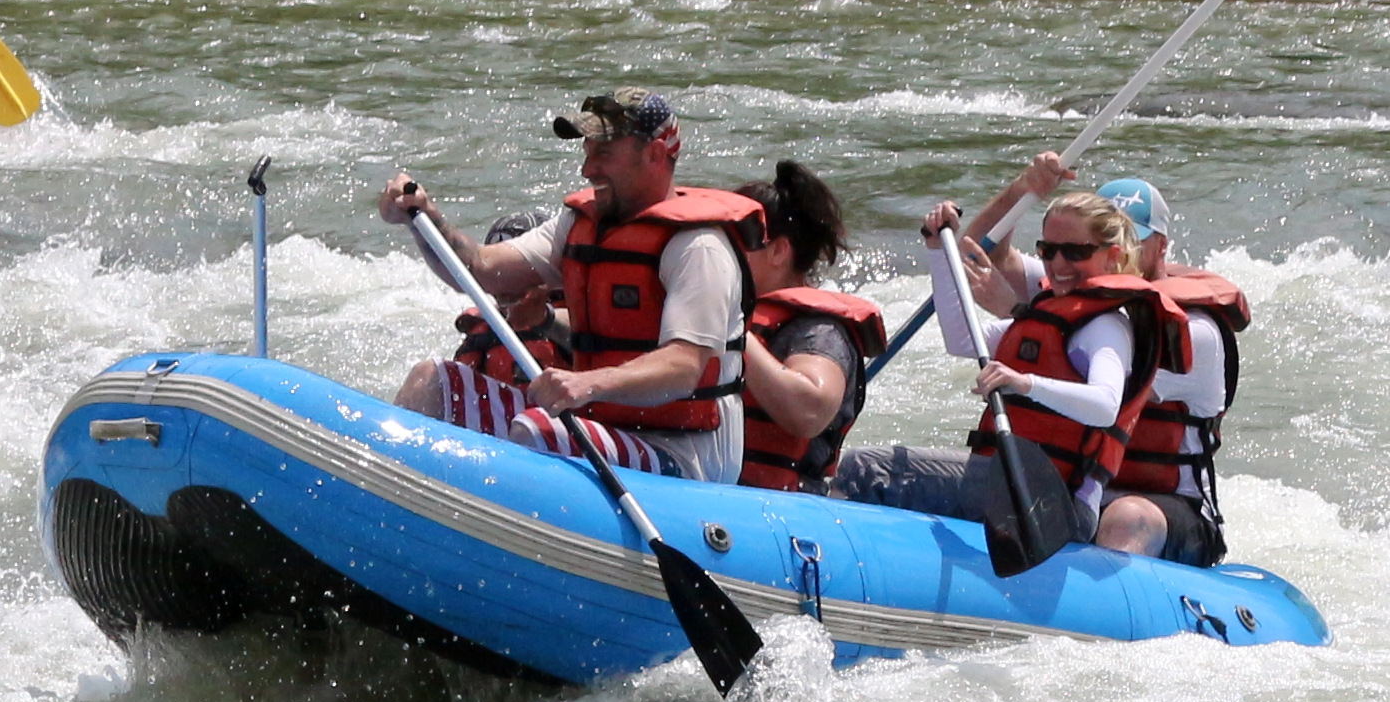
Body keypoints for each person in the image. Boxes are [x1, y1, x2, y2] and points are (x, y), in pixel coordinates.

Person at [381, 88, 763, 481]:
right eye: (587, 152)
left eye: (604, 154)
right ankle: (386, 499)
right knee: (433, 383)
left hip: (682, 456)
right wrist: (422, 218)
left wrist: (588, 383)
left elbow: (683, 367)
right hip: (600, 428)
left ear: (655, 154)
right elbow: (483, 269)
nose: (588, 169)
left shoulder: (698, 247)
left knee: (536, 430)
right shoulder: (579, 225)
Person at [834, 189, 1188, 546]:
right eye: (1048, 250)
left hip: (1056, 504)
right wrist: (939, 253)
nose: (1059, 264)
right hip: (1018, 487)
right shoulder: (1055, 315)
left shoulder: (1106, 327)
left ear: (1112, 256)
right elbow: (961, 340)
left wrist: (1025, 382)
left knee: (867, 469)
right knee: (875, 467)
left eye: (1075, 252)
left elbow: (1105, 405)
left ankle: (828, 567)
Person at [942, 155, 1249, 565]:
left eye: (1133, 241)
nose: (1120, 257)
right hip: (1075, 485)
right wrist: (1023, 191)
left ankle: (1102, 616)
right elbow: (977, 256)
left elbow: (1092, 375)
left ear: (1161, 246)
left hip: (1167, 505)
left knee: (1126, 517)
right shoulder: (1071, 285)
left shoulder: (1193, 330)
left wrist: (1019, 313)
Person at [731, 162, 886, 494]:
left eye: (735, 241)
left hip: (784, 504)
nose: (722, 253)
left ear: (779, 251)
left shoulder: (819, 331)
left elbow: (810, 411)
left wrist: (732, 328)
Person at [445, 213, 571, 386]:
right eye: (498, 273)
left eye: (513, 272)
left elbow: (594, 345)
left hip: (562, 409)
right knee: (430, 374)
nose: (504, 282)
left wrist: (544, 317)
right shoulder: (483, 332)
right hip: (507, 408)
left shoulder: (578, 314)